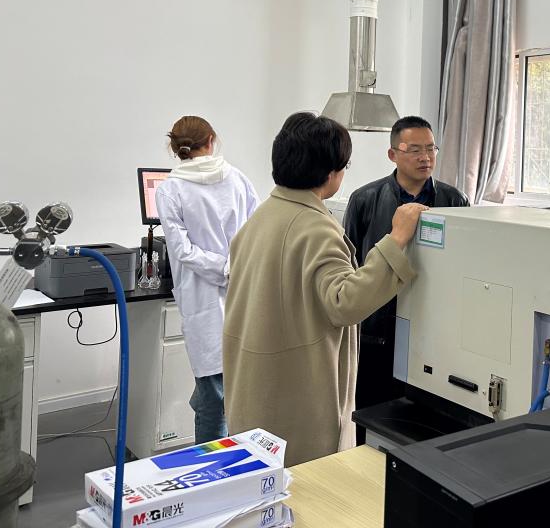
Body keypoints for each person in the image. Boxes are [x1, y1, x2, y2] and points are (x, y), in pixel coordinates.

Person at [223, 112, 428, 466]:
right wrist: (396, 239)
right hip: (296, 398)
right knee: (308, 485)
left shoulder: (260, 217)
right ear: (330, 173)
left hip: (253, 386)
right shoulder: (315, 227)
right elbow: (346, 302)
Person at [343, 116, 469, 414]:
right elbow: (351, 265)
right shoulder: (365, 199)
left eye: (430, 148)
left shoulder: (455, 200)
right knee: (371, 412)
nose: (425, 157)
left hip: (434, 325)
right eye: (414, 150)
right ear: (393, 154)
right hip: (377, 330)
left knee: (425, 414)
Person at [155, 115, 258, 445]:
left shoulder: (170, 190)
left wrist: (221, 269)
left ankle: (211, 466)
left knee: (214, 393)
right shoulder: (239, 180)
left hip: (202, 297)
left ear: (175, 149)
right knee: (229, 386)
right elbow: (257, 234)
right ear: (211, 140)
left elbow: (182, 250)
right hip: (242, 291)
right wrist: (232, 268)